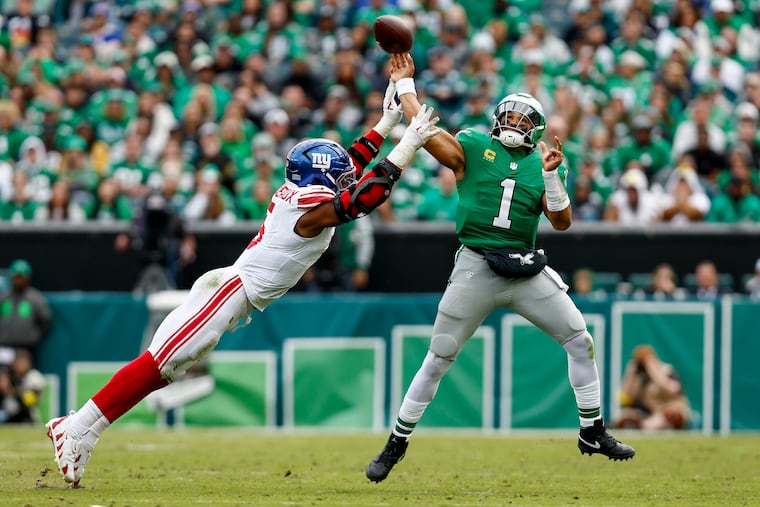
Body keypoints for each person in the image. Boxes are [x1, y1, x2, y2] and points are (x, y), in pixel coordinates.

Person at [44, 80, 441, 488]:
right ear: (320, 178)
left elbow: (351, 168)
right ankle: (76, 428)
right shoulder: (309, 207)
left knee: (166, 369)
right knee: (157, 363)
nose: (344, 177)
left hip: (234, 294)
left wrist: (387, 122)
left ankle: (81, 430)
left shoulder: (305, 192)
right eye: (336, 175)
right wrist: (407, 145)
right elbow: (360, 199)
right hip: (229, 293)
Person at [365, 54, 634, 484]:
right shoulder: (474, 145)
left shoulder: (543, 164)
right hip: (476, 264)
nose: (513, 122)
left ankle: (592, 430)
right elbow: (424, 130)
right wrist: (405, 84)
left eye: (522, 119)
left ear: (537, 130)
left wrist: (551, 176)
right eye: (508, 115)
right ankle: (396, 442)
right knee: (439, 357)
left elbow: (562, 222)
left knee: (580, 340)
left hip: (524, 268)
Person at [615, 345, 691, 430]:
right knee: (624, 415)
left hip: (672, 410)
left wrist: (653, 372)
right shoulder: (640, 378)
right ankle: (644, 425)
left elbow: (674, 389)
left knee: (670, 413)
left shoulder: (667, 370)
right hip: (650, 413)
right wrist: (630, 375)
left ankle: (647, 425)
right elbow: (625, 399)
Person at [0, 259, 52, 366]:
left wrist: (34, 336)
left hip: (27, 347)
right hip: (4, 347)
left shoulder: (35, 298)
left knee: (25, 373)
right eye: (17, 277)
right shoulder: (3, 298)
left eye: (22, 277)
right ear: (11, 277)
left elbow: (46, 321)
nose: (19, 280)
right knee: (3, 375)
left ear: (28, 278)